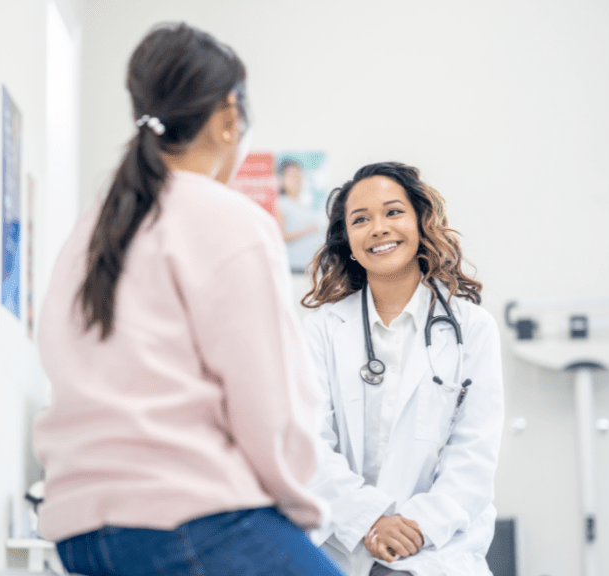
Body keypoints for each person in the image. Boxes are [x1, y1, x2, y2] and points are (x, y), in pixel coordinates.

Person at [32, 23, 343, 576]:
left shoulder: (92, 230)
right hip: (191, 520)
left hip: (80, 534)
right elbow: (270, 410)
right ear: (230, 115)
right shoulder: (231, 220)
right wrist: (302, 517)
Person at [301, 162, 504, 576]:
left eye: (393, 212)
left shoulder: (473, 329)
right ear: (349, 241)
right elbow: (309, 445)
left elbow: (473, 456)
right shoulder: (321, 330)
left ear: (421, 223)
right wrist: (370, 522)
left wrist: (414, 529)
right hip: (345, 545)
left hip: (438, 550)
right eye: (361, 219)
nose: (378, 228)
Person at [276, 159, 327, 272]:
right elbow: (280, 235)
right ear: (282, 179)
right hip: (295, 266)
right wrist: (308, 230)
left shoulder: (303, 204)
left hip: (311, 266)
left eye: (299, 175)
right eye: (292, 175)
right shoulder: (281, 203)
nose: (297, 179)